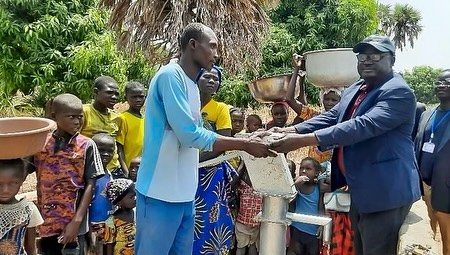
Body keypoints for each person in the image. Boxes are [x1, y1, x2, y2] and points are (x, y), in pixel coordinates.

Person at [268, 35, 421, 255]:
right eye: (362, 56)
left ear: (392, 59)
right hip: (361, 190)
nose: (367, 60)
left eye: (376, 55)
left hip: (386, 193)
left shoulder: (398, 92)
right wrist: (290, 130)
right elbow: (332, 117)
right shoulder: (356, 88)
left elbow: (361, 126)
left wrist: (302, 140)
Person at [135, 22, 275, 255]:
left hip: (184, 193)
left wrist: (250, 137)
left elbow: (201, 135)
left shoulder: (192, 85)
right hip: (159, 191)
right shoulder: (170, 76)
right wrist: (244, 144)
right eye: (212, 46)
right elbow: (189, 135)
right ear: (192, 45)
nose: (216, 54)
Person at [31, 93, 104, 255]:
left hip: (73, 225)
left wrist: (76, 222)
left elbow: (91, 185)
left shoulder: (86, 145)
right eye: (71, 117)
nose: (77, 121)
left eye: (80, 117)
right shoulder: (40, 143)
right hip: (47, 222)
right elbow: (22, 170)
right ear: (54, 116)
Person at [193, 66, 238, 253]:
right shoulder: (186, 104)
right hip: (185, 169)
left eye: (216, 79)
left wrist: (195, 161)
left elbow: (222, 143)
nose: (212, 81)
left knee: (211, 213)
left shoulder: (220, 109)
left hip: (210, 172)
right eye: (207, 76)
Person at [414, 69, 450, 255]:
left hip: (447, 187)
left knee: (448, 241)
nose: (441, 85)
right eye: (439, 81)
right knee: (428, 237)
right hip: (425, 186)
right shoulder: (426, 115)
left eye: (447, 81)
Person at [286, 54, 342, 164]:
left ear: (341, 102)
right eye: (327, 99)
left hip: (334, 172)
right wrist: (296, 69)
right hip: (312, 170)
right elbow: (289, 99)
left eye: (334, 100)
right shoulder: (314, 117)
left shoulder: (345, 119)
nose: (329, 103)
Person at [81, 76, 125, 178]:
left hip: (113, 169)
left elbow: (118, 146)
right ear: (96, 92)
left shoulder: (118, 117)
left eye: (116, 94)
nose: (114, 97)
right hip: (90, 169)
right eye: (109, 93)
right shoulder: (84, 112)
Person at [0, 159, 44, 255]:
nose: (5, 190)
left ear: (21, 181)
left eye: (13, 183)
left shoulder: (28, 210)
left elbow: (31, 249)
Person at [288, 157, 322, 255]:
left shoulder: (318, 188)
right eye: (301, 168)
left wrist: (321, 225)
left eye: (308, 169)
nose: (303, 171)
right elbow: (288, 200)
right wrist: (296, 186)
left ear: (316, 173)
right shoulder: (296, 186)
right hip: (297, 229)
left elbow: (320, 207)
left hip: (313, 232)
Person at [89, 133, 116, 254]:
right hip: (93, 227)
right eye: (101, 150)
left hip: (108, 224)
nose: (106, 154)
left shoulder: (109, 175)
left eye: (110, 151)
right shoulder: (89, 177)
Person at [116, 82, 145, 171]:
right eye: (134, 97)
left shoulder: (146, 119)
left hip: (142, 168)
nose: (138, 100)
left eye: (141, 96)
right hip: (129, 168)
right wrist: (125, 169)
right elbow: (119, 147)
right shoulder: (123, 118)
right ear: (126, 98)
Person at [104, 178, 136, 255]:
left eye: (135, 195)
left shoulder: (137, 213)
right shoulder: (111, 221)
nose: (135, 199)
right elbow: (110, 245)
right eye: (131, 197)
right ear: (119, 202)